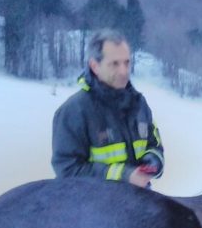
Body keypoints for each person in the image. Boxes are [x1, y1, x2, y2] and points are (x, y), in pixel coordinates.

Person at [52, 29, 165, 187]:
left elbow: (155, 145)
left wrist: (153, 162)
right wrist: (124, 175)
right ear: (94, 66)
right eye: (114, 64)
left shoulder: (139, 104)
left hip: (141, 201)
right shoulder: (74, 112)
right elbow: (68, 170)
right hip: (95, 208)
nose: (123, 71)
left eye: (127, 62)